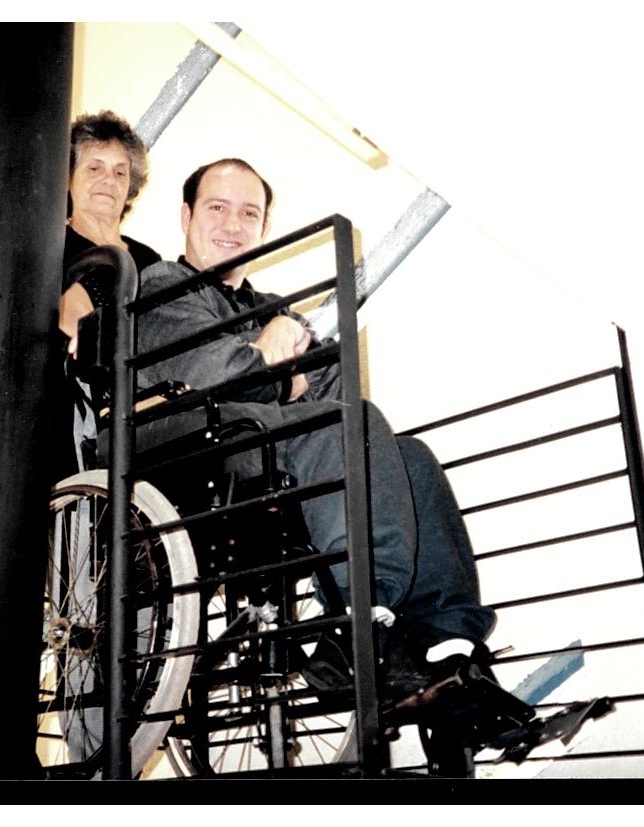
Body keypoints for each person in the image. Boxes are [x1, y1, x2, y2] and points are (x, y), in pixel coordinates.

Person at [132, 158, 496, 705]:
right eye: (217, 207)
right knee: (342, 424)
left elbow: (332, 385)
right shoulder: (163, 284)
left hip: (267, 444)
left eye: (248, 213)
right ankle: (361, 617)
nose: (232, 224)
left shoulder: (269, 308)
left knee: (409, 456)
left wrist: (281, 343)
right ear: (186, 216)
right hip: (196, 451)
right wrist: (279, 375)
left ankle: (449, 646)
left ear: (263, 227)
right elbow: (210, 372)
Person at [56, 110, 162, 481]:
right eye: (94, 168)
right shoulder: (53, 248)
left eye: (120, 172)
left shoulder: (150, 259)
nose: (109, 181)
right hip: (85, 410)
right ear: (68, 177)